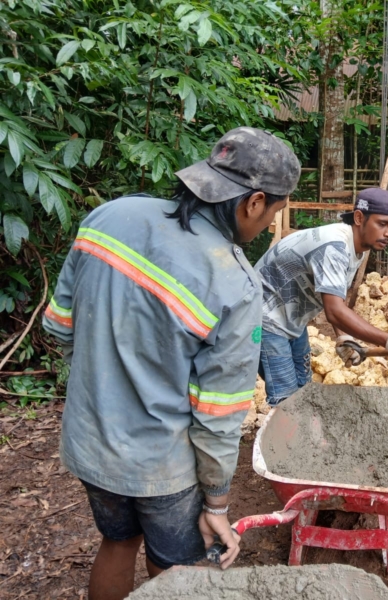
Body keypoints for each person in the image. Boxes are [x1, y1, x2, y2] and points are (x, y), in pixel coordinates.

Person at [42, 127, 300, 600]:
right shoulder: (234, 283)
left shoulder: (109, 215)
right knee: (178, 573)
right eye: (275, 214)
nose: (266, 226)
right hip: (160, 467)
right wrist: (217, 504)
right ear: (254, 202)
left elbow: (59, 326)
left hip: (89, 442)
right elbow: (219, 416)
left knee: (117, 543)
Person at [254, 188, 388, 406]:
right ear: (359, 218)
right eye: (382, 224)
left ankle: (302, 436)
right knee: (286, 400)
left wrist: (343, 337)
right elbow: (334, 311)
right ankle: (284, 438)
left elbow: (334, 296)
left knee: (303, 390)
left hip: (290, 319)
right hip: (263, 319)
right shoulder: (335, 246)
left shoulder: (355, 248)